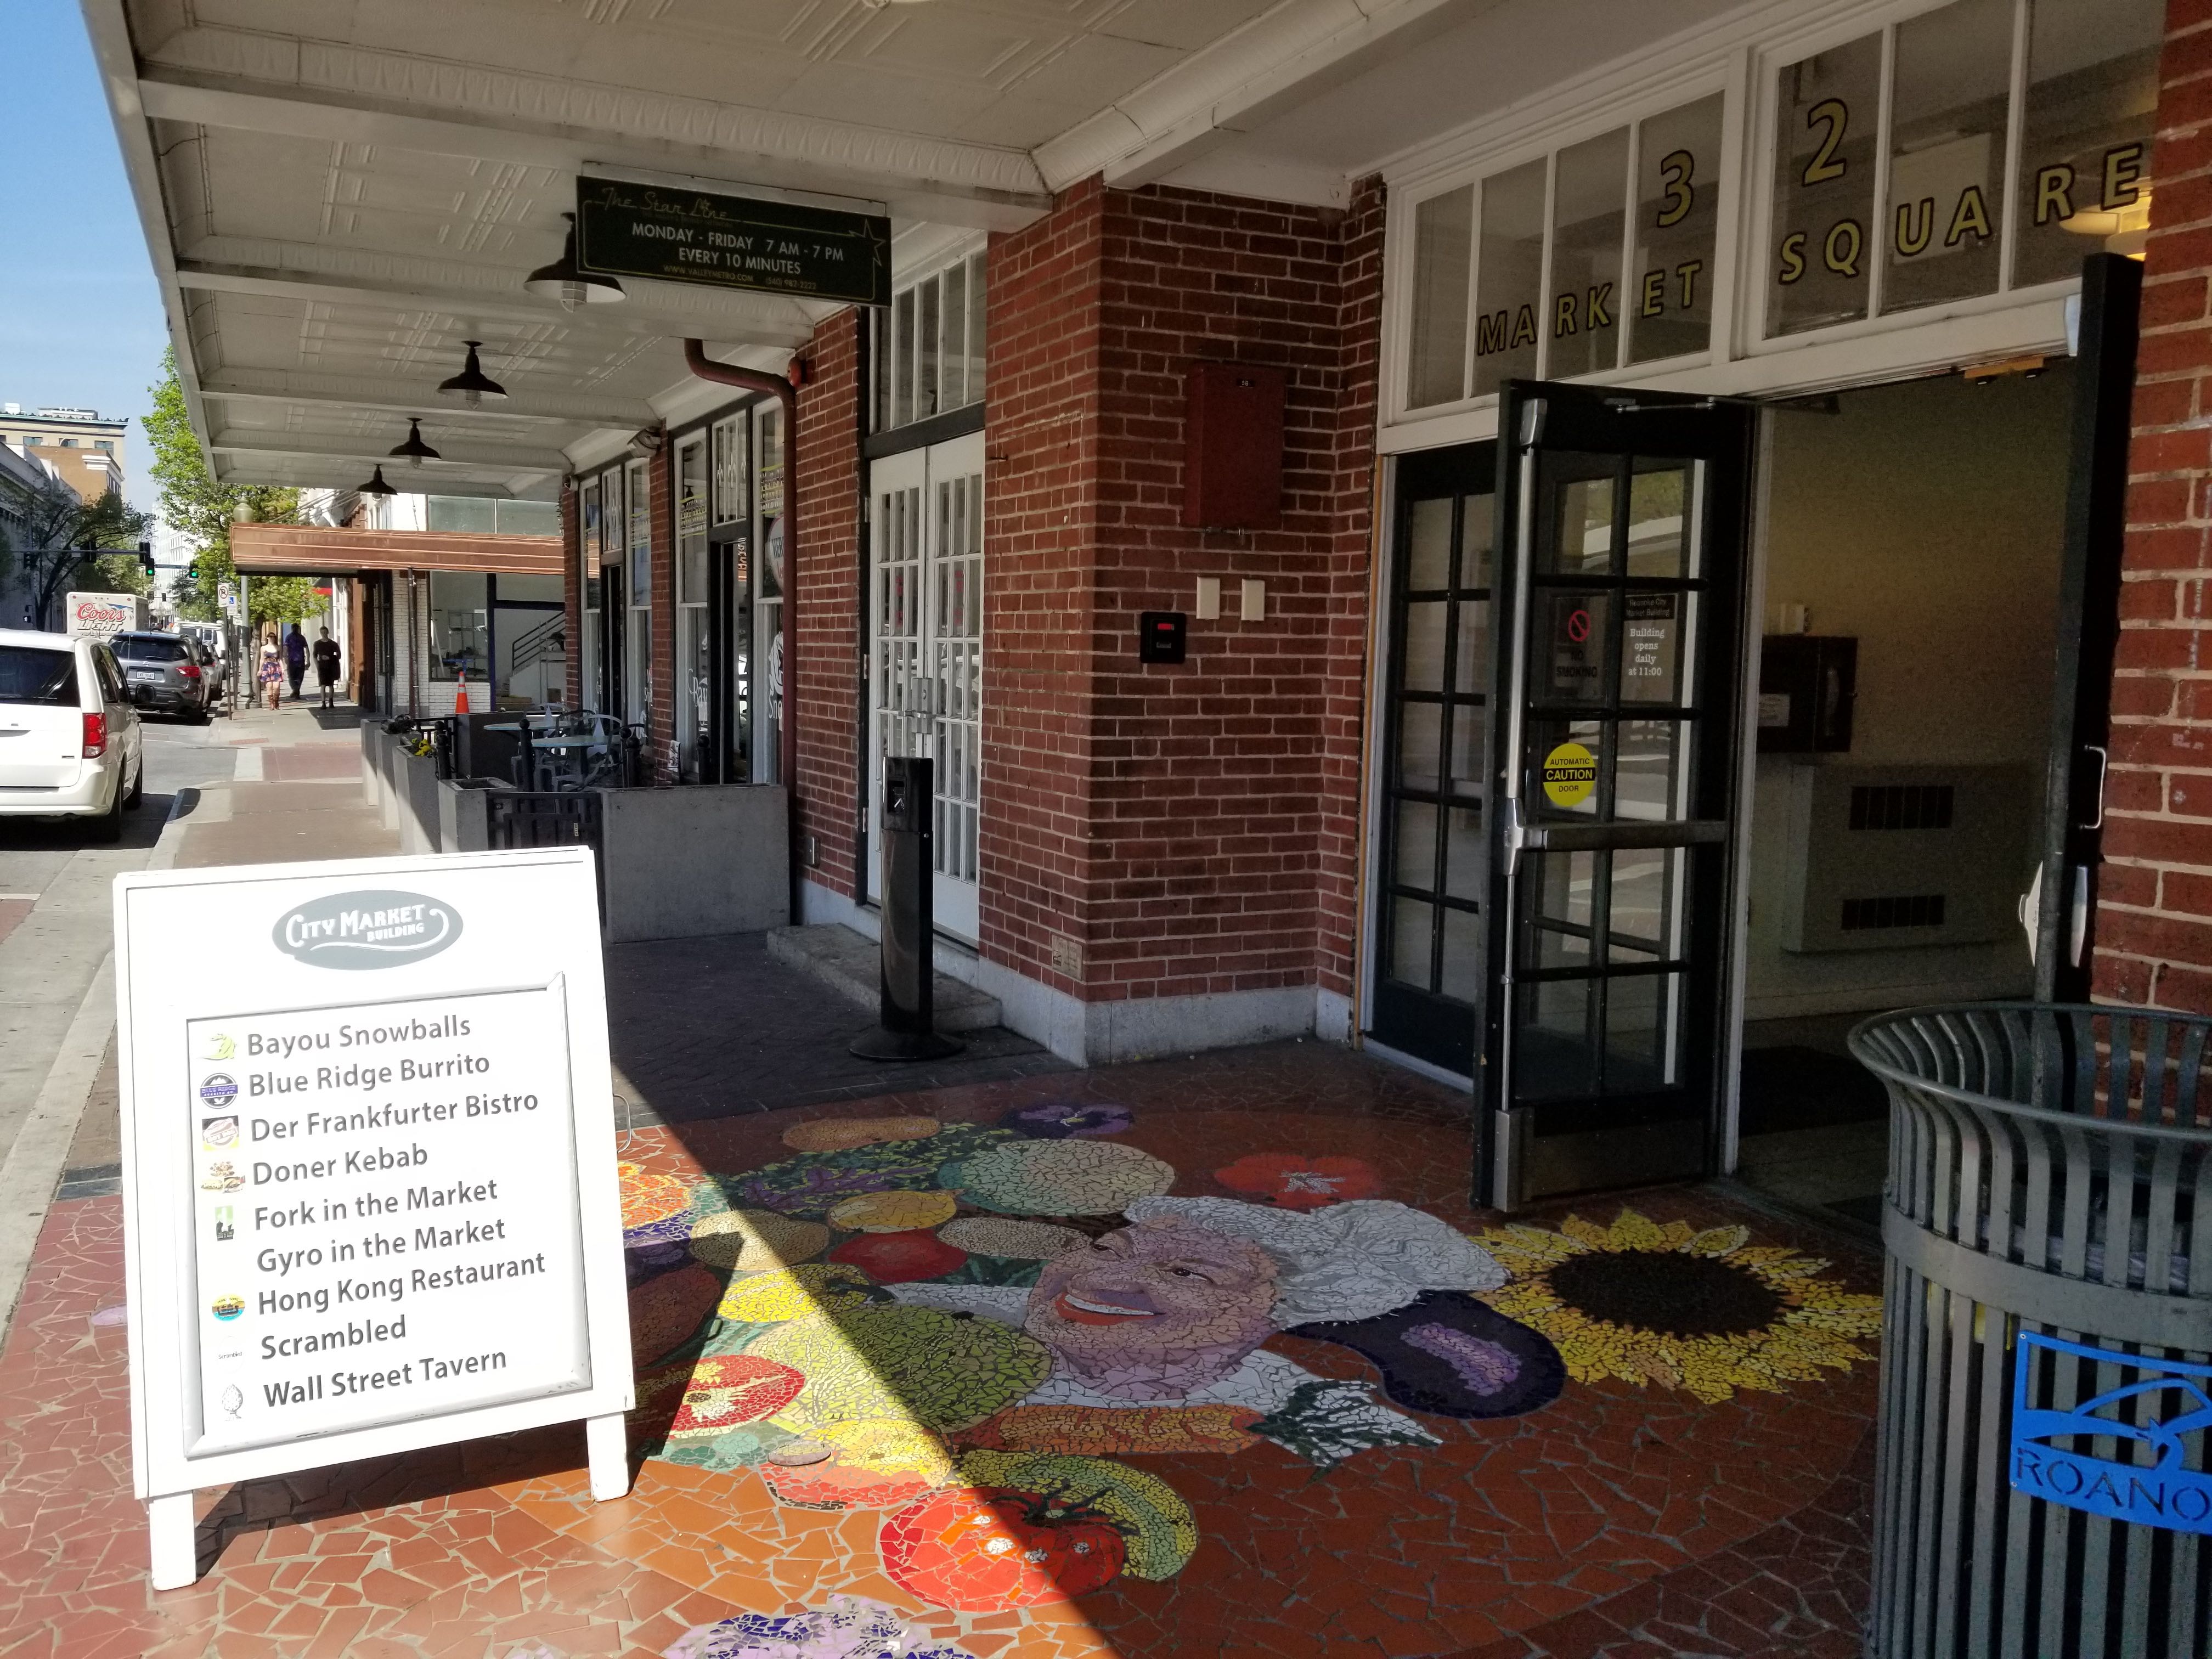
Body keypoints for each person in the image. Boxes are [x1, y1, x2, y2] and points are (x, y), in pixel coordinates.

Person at [311, 628, 342, 710]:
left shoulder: (333, 644)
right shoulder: (317, 644)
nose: (324, 634)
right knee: (323, 685)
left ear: (328, 632)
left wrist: (330, 658)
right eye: (322, 632)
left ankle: (331, 701)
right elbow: (314, 655)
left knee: (331, 685)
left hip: (331, 666)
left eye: (325, 632)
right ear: (320, 633)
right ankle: (323, 703)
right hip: (322, 667)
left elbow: (339, 655)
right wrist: (317, 665)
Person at [256, 636, 284, 712]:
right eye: (270, 637)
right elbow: (262, 659)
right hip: (267, 667)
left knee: (277, 686)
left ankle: (276, 701)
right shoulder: (263, 648)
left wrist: (283, 668)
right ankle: (271, 704)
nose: (272, 638)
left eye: (273, 637)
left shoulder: (278, 647)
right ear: (267, 638)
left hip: (276, 667)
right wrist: (260, 669)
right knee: (269, 686)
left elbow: (280, 659)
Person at [283, 624, 308, 701]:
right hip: (292, 660)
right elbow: (286, 648)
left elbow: (306, 648)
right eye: (294, 628)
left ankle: (296, 691)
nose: (295, 629)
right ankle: (296, 691)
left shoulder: (301, 638)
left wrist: (308, 660)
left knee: (299, 677)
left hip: (300, 660)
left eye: (296, 628)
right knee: (292, 676)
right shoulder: (289, 637)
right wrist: (285, 657)